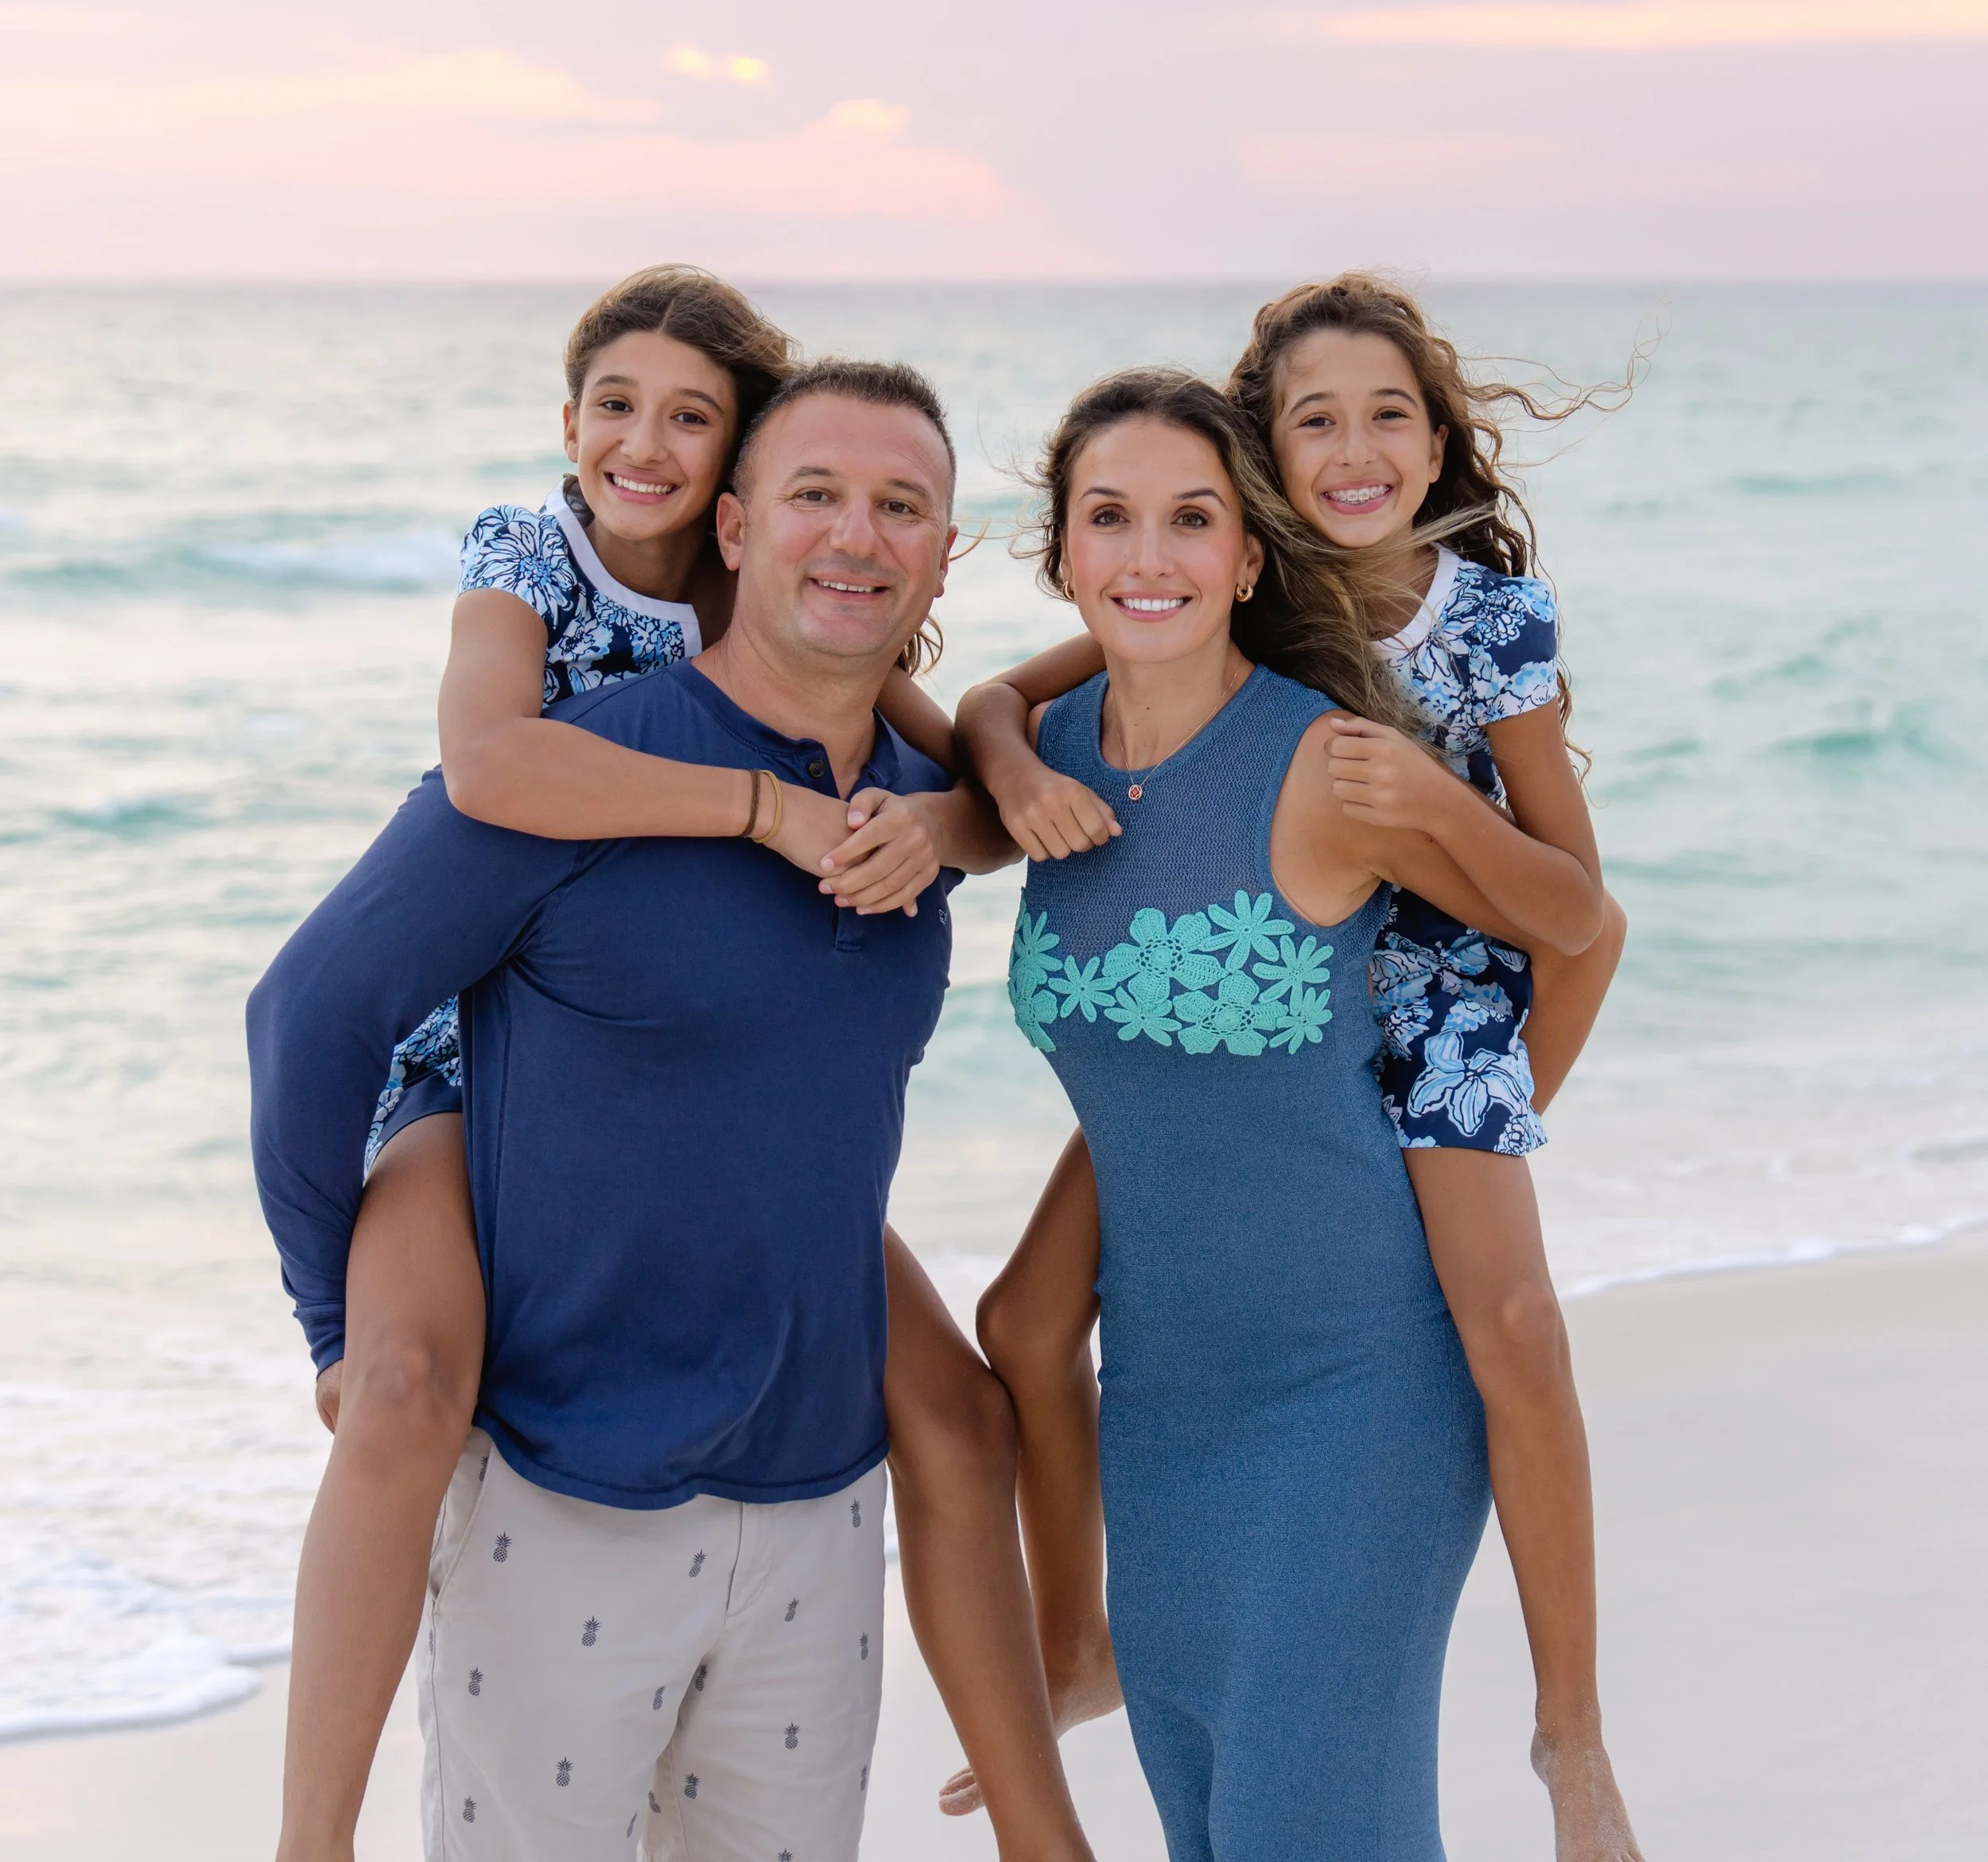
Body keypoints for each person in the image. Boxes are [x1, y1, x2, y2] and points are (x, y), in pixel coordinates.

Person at [249, 360, 1074, 1862]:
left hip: (823, 1511)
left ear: (944, 556)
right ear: (738, 531)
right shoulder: (576, 778)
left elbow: (1086, 747)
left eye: (902, 507)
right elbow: (308, 1017)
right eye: (815, 494)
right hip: (562, 1506)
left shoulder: (919, 805)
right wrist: (332, 1321)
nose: (857, 535)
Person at [959, 358, 1644, 1859]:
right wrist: (982, 754)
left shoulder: (1334, 764)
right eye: (1111, 519)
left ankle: (1573, 1741)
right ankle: (1086, 1652)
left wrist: (1508, 1105)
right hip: (1158, 1404)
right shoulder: (1044, 767)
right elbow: (967, 722)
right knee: (1213, 1826)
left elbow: (1574, 924)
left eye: (1192, 518)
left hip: (1360, 1385)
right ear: (1061, 552)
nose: (1151, 556)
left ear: (1248, 555)